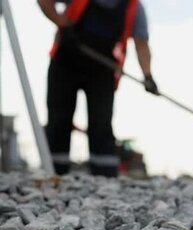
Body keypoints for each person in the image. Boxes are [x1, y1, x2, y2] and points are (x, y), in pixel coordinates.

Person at [37, 0, 160, 177]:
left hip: (102, 70)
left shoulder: (134, 8)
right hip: (65, 62)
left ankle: (104, 177)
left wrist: (148, 76)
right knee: (59, 119)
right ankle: (54, 173)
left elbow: (141, 43)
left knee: (101, 122)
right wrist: (60, 21)